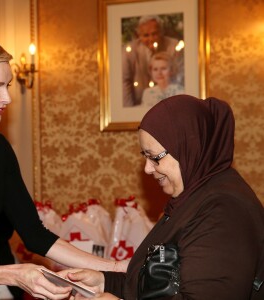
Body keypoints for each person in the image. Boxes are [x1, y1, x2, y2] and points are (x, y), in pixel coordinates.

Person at [0, 35, 127, 300]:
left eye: (7, 86)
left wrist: (118, 268)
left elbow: (35, 235)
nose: (7, 98)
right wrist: (12, 274)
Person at [61, 95, 264, 300]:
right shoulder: (193, 198)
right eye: (145, 156)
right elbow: (161, 284)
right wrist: (105, 282)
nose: (148, 169)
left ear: (188, 148)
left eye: (155, 158)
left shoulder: (223, 211)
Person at [122, 15, 183, 107]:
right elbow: (124, 81)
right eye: (146, 35)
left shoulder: (174, 46)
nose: (151, 39)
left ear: (161, 32)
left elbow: (181, 74)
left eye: (154, 34)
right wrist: (128, 111)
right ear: (139, 36)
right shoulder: (130, 51)